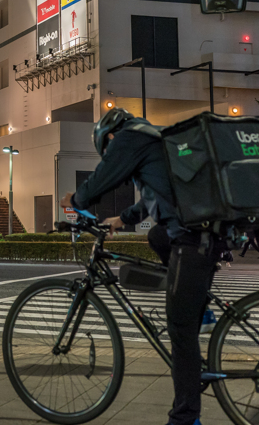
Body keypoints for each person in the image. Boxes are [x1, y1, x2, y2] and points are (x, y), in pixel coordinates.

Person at [60, 108, 218, 425]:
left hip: (193, 238)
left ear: (110, 136)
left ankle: (186, 419)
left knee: (180, 330)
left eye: (106, 149)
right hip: (200, 231)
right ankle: (200, 309)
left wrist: (75, 200)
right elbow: (153, 197)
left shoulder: (128, 138)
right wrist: (123, 218)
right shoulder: (153, 138)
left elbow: (101, 178)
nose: (109, 153)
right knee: (158, 235)